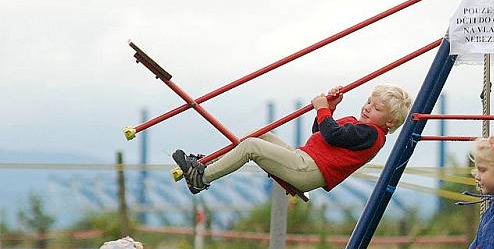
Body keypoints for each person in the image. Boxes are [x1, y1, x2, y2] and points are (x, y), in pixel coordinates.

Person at [172, 84, 412, 195]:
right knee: (261, 134)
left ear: (389, 122)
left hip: (308, 169)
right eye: (369, 102)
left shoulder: (372, 135)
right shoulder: (359, 126)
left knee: (252, 146)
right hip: (304, 158)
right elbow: (321, 135)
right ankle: (209, 164)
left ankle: (201, 178)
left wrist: (322, 109)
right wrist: (329, 108)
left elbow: (332, 134)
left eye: (377, 108)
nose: (368, 108)